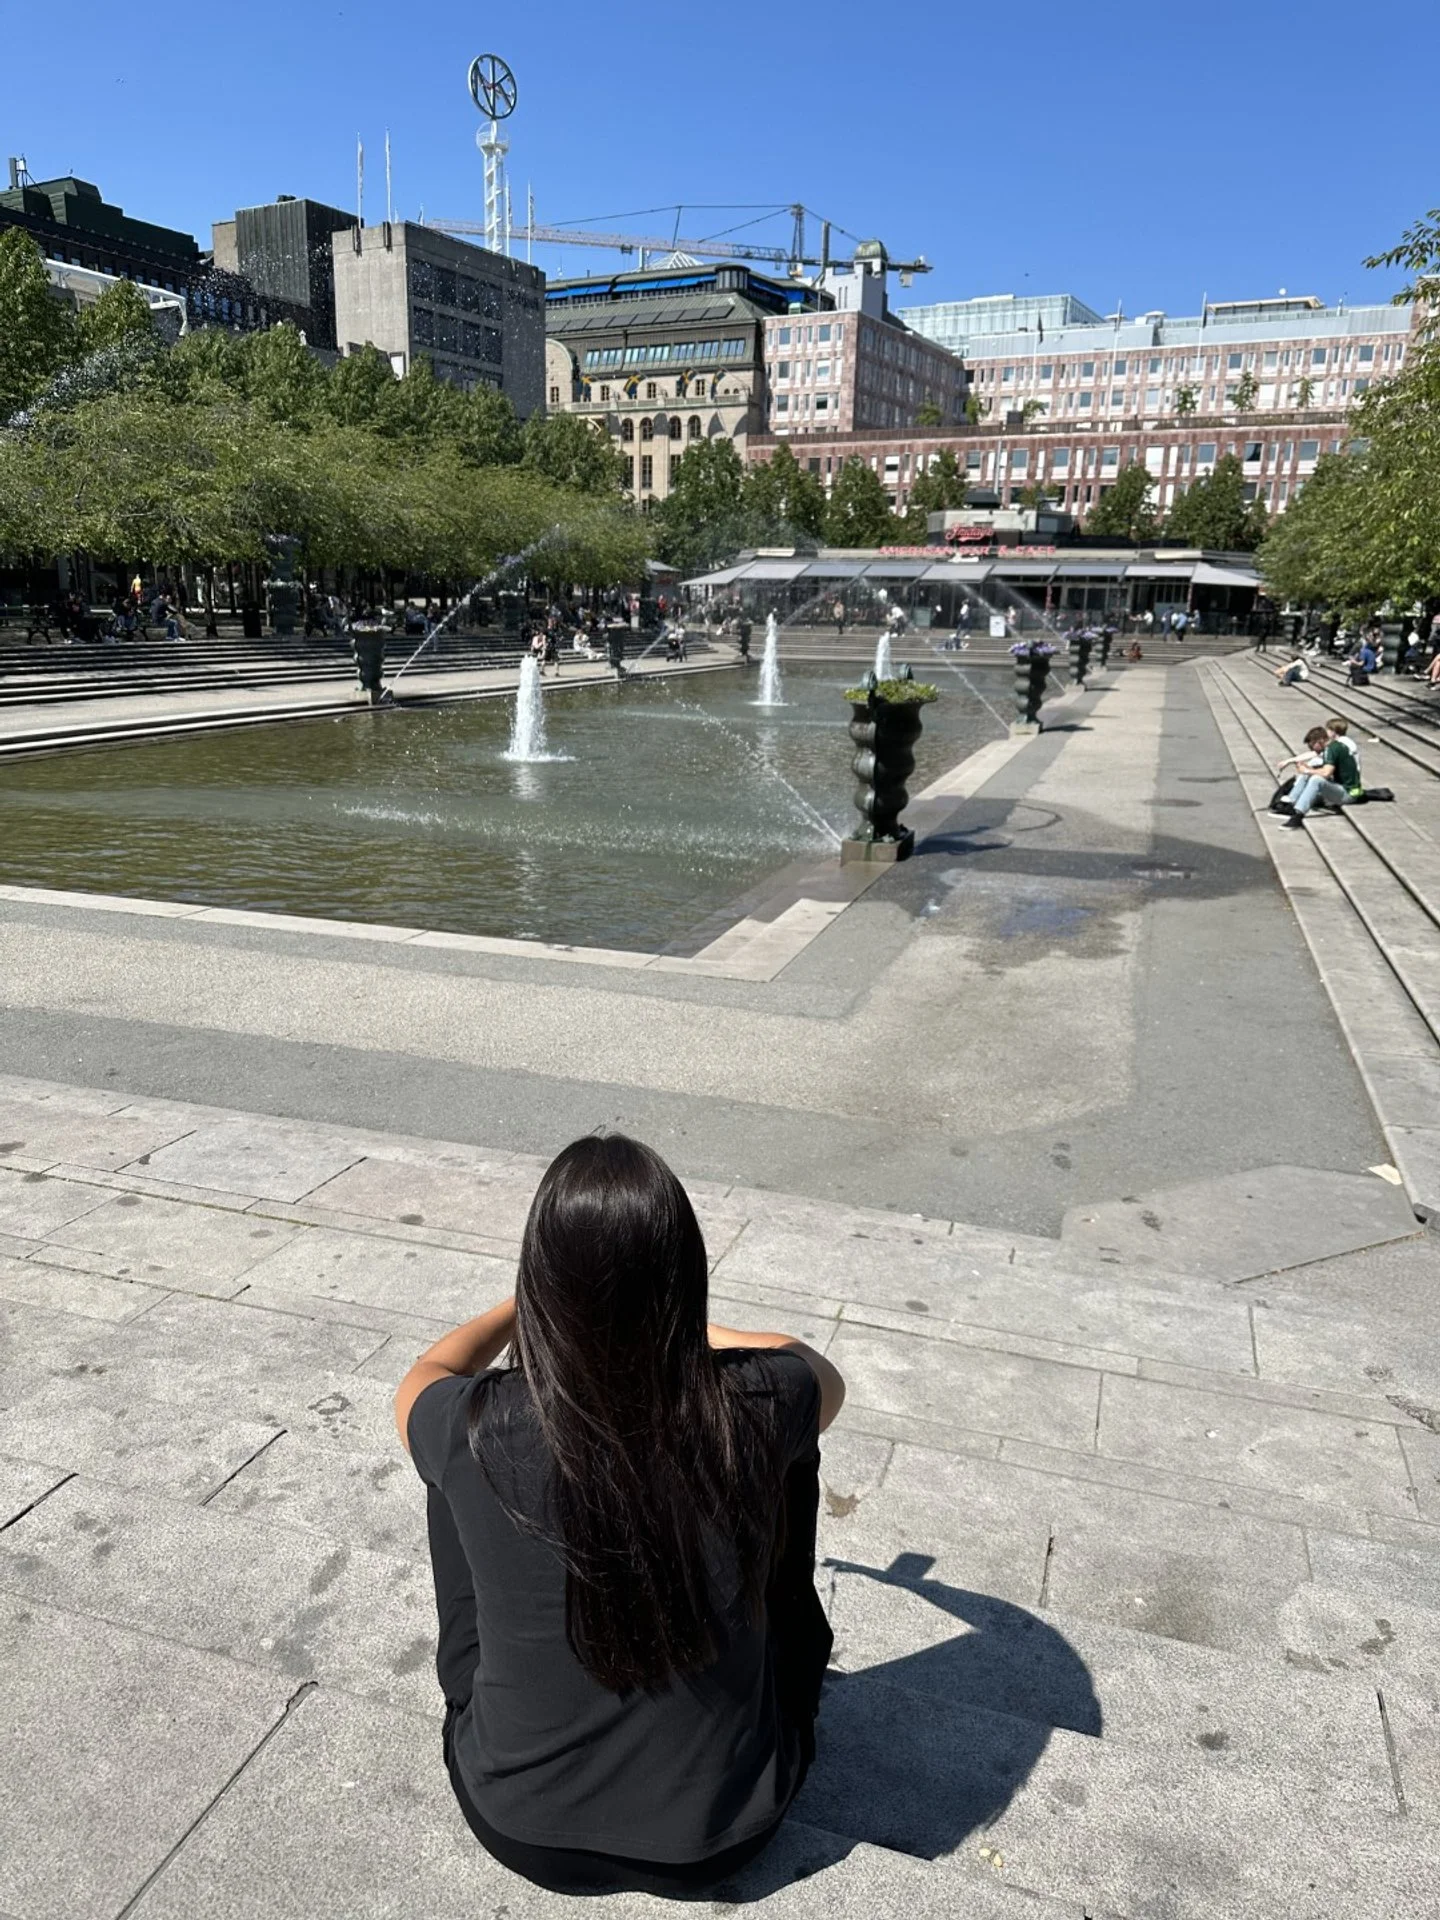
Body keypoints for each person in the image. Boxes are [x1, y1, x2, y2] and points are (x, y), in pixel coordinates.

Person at [394, 1134, 844, 1898]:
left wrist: (527, 1305)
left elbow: (426, 1375)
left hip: (518, 1823)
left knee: (451, 1462)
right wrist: (673, 1326)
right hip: (727, 1832)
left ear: (544, 1283)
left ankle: (481, 1698)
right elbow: (816, 1370)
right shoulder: (761, 1405)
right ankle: (786, 1671)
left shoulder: (482, 1421)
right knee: (789, 1459)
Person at [1280, 721, 1362, 829]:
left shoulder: (1332, 749)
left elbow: (1327, 772)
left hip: (1349, 794)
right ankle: (1292, 802)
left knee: (1316, 780)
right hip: (1342, 788)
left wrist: (1307, 771)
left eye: (1312, 745)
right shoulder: (1334, 746)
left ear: (1321, 741)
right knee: (1312, 772)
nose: (1312, 749)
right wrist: (1308, 769)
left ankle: (1298, 816)